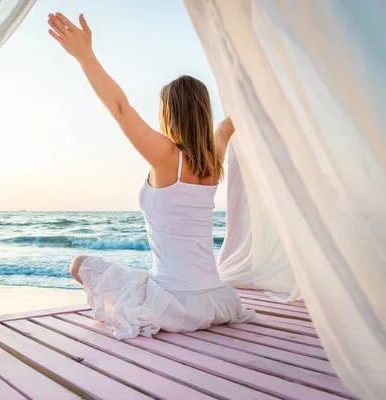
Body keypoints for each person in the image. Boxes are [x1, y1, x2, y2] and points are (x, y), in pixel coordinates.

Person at [47, 12, 255, 339]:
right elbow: (232, 120)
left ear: (167, 112)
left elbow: (120, 109)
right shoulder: (213, 158)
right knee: (140, 276)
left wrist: (85, 57)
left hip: (175, 305)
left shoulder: (166, 156)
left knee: (79, 264)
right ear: (203, 111)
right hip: (219, 301)